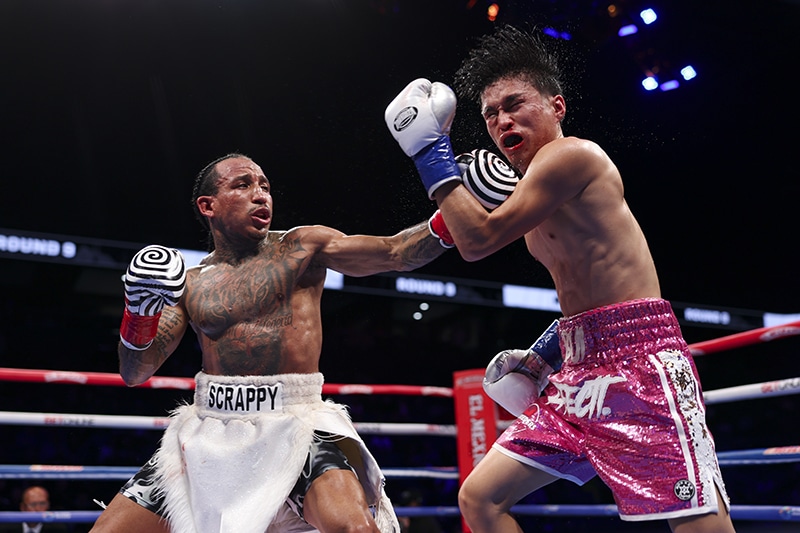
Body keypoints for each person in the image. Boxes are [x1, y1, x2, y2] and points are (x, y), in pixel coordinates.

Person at [384, 25, 735, 533]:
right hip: (579, 367)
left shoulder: (572, 156)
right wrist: (552, 349)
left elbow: (478, 241)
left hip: (641, 361)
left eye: (514, 104)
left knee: (697, 523)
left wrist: (429, 153)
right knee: (480, 499)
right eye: (489, 114)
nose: (502, 120)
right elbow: (579, 282)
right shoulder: (530, 188)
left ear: (557, 107)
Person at [89, 153, 451, 533]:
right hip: (210, 429)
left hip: (293, 421)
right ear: (207, 205)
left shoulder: (302, 247)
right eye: (243, 184)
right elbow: (136, 372)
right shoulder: (192, 282)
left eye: (264, 186)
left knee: (355, 529)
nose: (261, 194)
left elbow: (394, 253)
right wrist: (138, 311)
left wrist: (451, 217)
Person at [0, 485, 68, 533]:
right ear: (22, 507)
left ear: (48, 506)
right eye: (33, 504)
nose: (38, 509)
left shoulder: (57, 528)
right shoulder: (6, 528)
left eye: (42, 504)